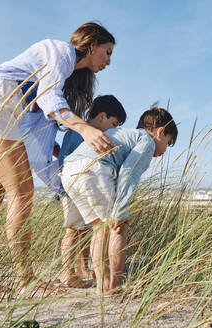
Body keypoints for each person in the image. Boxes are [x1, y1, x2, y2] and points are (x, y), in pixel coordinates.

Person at [0, 22, 116, 297]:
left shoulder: (62, 72)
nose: (109, 61)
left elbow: (37, 133)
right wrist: (84, 128)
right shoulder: (60, 52)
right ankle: (26, 280)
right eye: (108, 51)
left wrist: (59, 156)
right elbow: (49, 100)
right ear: (91, 44)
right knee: (22, 194)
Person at [61, 106, 178, 295]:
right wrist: (121, 211)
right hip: (93, 168)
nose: (164, 150)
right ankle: (112, 285)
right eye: (168, 142)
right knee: (116, 227)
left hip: (69, 170)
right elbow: (128, 173)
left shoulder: (124, 134)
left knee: (99, 227)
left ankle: (101, 283)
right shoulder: (146, 141)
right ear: (160, 131)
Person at [58, 95, 126, 288]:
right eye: (114, 124)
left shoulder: (80, 131)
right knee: (73, 229)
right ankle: (67, 273)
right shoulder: (83, 133)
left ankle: (82, 268)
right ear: (102, 116)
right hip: (73, 187)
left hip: (75, 185)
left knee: (85, 230)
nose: (114, 130)